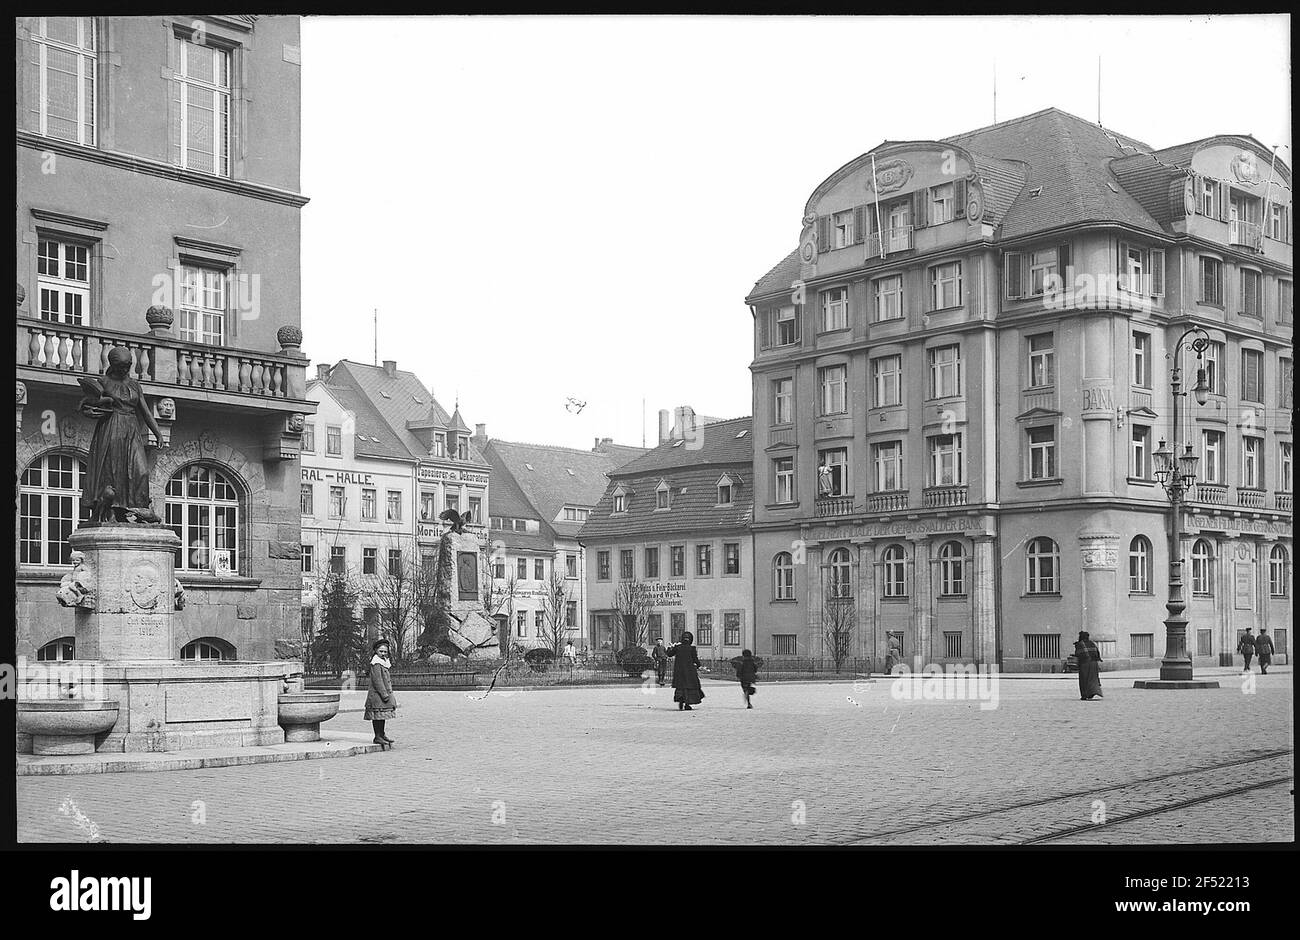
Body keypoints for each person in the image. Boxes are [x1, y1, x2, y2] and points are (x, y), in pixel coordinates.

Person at [79, 346, 167, 522]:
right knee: (111, 472)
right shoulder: (103, 382)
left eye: (128, 366)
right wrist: (91, 409)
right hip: (111, 427)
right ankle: (112, 510)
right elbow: (87, 404)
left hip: (131, 428)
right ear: (113, 365)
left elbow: (145, 411)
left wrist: (158, 432)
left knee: (141, 470)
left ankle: (139, 509)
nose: (126, 370)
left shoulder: (134, 385)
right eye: (122, 367)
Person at [364, 640, 397, 746]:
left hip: (382, 694)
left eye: (385, 652)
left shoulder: (383, 662)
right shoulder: (376, 663)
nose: (383, 653)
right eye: (381, 651)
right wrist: (384, 694)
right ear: (376, 651)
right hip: (377, 695)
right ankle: (377, 736)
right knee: (377, 716)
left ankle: (382, 734)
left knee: (382, 716)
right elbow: (377, 680)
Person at [666, 631, 705, 710]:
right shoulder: (692, 648)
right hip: (690, 671)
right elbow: (695, 659)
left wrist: (671, 647)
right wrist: (699, 666)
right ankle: (687, 704)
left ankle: (681, 700)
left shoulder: (678, 647)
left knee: (681, 686)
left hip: (679, 671)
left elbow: (669, 654)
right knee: (690, 687)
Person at [1074, 631, 1103, 700]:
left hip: (1085, 664)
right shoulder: (1092, 643)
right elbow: (1097, 653)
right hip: (1094, 663)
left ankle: (1084, 695)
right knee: (1093, 679)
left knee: (1084, 679)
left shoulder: (1080, 644)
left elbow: (1078, 654)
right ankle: (1092, 692)